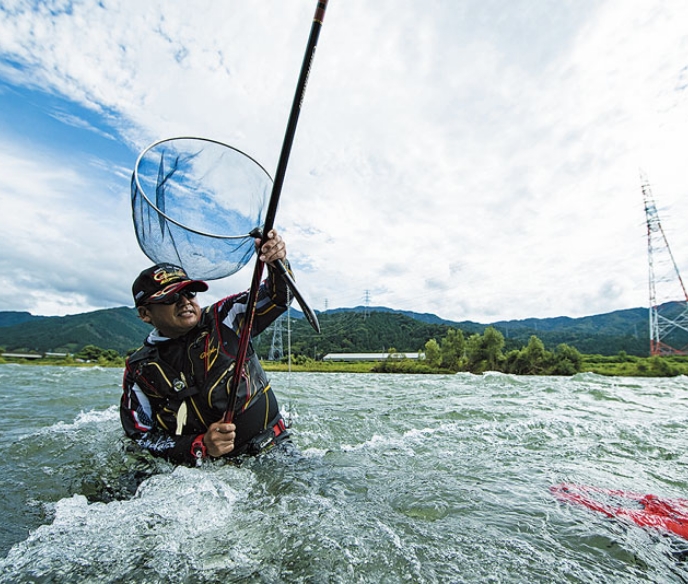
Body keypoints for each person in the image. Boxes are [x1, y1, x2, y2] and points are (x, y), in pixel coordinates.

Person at [120, 229, 292, 466]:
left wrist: (277, 262)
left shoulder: (226, 316)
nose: (185, 302)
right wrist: (198, 446)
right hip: (202, 471)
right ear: (144, 314)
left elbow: (278, 296)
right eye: (170, 298)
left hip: (273, 451)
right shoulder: (138, 369)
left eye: (189, 292)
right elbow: (139, 437)